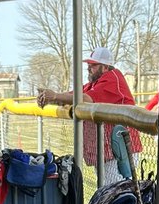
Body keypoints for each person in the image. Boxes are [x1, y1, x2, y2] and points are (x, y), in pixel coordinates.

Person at [37, 47, 142, 184]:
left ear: (105, 67)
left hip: (121, 149)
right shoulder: (94, 84)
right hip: (109, 149)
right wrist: (51, 97)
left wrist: (55, 96)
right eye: (89, 65)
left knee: (117, 191)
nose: (89, 68)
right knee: (108, 190)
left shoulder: (112, 78)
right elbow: (73, 95)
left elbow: (86, 99)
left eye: (93, 65)